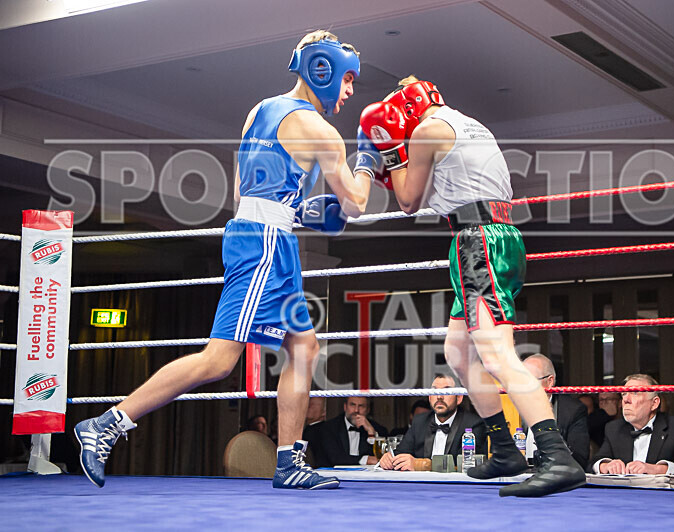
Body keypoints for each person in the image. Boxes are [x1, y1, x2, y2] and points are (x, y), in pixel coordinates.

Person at [74, 30, 374, 490]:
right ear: (324, 69)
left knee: (304, 347)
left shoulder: (260, 110)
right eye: (348, 78)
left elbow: (242, 190)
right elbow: (355, 204)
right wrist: (369, 159)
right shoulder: (320, 130)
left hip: (261, 233)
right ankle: (108, 424)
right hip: (266, 245)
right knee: (219, 361)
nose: (351, 91)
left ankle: (289, 461)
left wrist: (296, 210)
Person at [357, 77, 586, 497]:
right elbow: (427, 191)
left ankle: (557, 456)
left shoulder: (426, 131)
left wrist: (383, 157)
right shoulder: (466, 124)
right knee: (458, 352)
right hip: (497, 240)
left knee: (497, 354)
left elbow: (409, 201)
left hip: (478, 243)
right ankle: (504, 449)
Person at [592, 374, 674, 476]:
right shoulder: (614, 428)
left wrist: (658, 469)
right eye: (624, 394)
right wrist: (605, 465)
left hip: (662, 496)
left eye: (635, 393)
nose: (626, 400)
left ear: (654, 403)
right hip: (624, 496)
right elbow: (591, 463)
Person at [379, 374, 487, 470]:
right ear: (430, 397)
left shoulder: (474, 424)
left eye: (446, 391)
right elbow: (401, 454)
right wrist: (389, 458)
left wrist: (422, 465)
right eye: (435, 391)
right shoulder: (419, 421)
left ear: (459, 398)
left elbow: (467, 464)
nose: (439, 397)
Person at [521, 355, 589, 470]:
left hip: (554, 476)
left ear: (550, 381)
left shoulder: (572, 410)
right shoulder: (512, 407)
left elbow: (579, 459)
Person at [313, 396, 388, 467]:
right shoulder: (329, 428)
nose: (356, 410)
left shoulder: (378, 429)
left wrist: (371, 433)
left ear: (368, 410)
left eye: (361, 406)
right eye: (352, 405)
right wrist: (365, 460)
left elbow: (380, 459)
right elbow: (335, 458)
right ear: (345, 407)